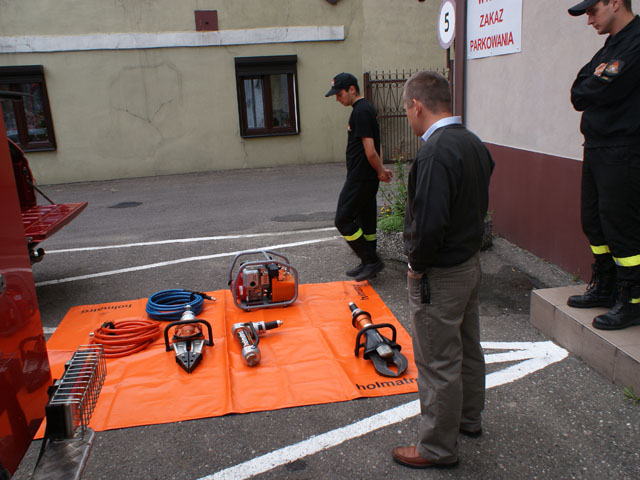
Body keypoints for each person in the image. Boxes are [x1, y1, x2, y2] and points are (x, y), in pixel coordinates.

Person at [393, 71, 494, 469]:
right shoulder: (472, 142)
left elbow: (430, 224)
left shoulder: (435, 152)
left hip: (441, 273)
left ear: (417, 105)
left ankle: (437, 447)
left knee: (437, 361)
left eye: (406, 109)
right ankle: (469, 419)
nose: (408, 116)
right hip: (468, 263)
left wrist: (416, 266)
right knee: (467, 348)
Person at [567, 0, 640, 330]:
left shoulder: (635, 42)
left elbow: (604, 88)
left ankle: (632, 298)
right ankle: (606, 285)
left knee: (620, 226)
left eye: (592, 11)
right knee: (593, 221)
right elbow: (578, 92)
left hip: (623, 147)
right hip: (597, 147)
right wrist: (595, 81)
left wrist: (595, 82)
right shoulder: (610, 47)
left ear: (615, 3)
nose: (589, 20)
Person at [325, 73, 393, 281]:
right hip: (366, 176)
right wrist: (380, 169)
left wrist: (380, 171)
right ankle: (368, 262)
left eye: (340, 94)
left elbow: (370, 150)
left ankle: (371, 261)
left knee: (343, 219)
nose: (338, 99)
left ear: (352, 89)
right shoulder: (366, 109)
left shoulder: (361, 111)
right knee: (366, 221)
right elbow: (378, 144)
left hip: (360, 177)